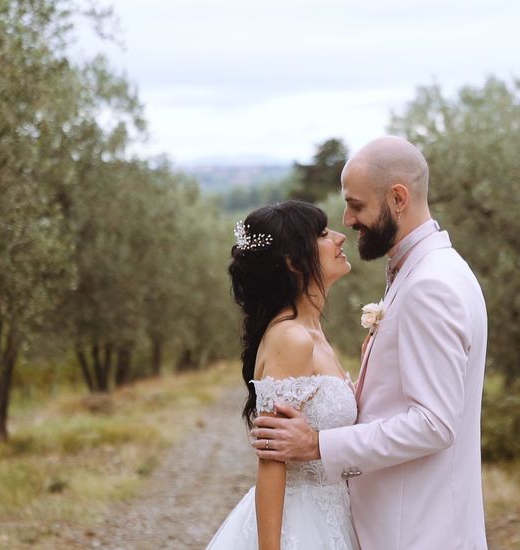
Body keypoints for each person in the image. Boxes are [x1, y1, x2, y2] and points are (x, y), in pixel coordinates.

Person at [251, 136, 489, 549]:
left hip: (415, 531)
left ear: (398, 198)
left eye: (357, 205)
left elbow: (435, 423)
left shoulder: (430, 285)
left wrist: (319, 443)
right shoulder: (433, 271)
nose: (347, 220)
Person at [206, 200, 360, 550]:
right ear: (292, 261)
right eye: (322, 234)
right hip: (300, 525)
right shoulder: (291, 338)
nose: (339, 238)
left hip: (336, 516)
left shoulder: (313, 332)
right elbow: (272, 459)